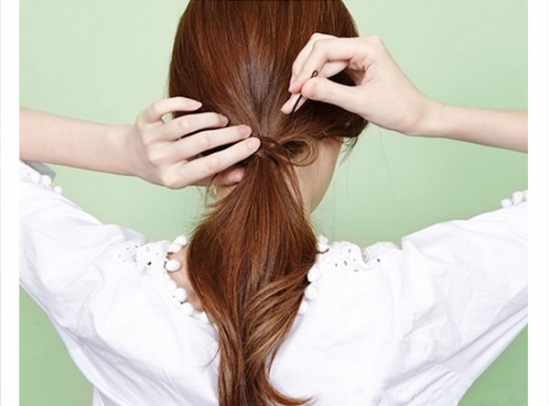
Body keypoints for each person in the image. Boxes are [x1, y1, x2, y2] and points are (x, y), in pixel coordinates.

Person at [20, 1, 527, 405]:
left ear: (186, 123)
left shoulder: (103, 295)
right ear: (343, 125)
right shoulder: (412, 306)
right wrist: (428, 115)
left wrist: (123, 151)